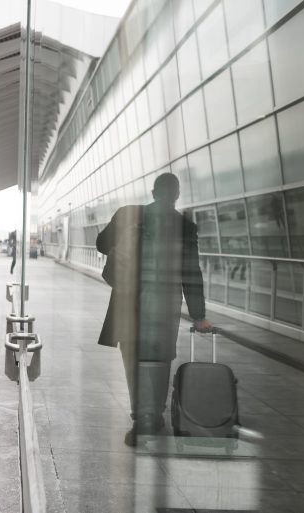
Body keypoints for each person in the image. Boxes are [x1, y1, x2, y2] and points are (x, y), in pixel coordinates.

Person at [96, 173, 212, 446]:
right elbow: (191, 273)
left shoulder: (129, 214)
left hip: (129, 300)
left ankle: (142, 417)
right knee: (160, 358)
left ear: (152, 192)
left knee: (133, 359)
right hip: (166, 303)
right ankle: (155, 414)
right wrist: (199, 315)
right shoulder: (186, 226)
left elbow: (101, 244)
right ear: (176, 195)